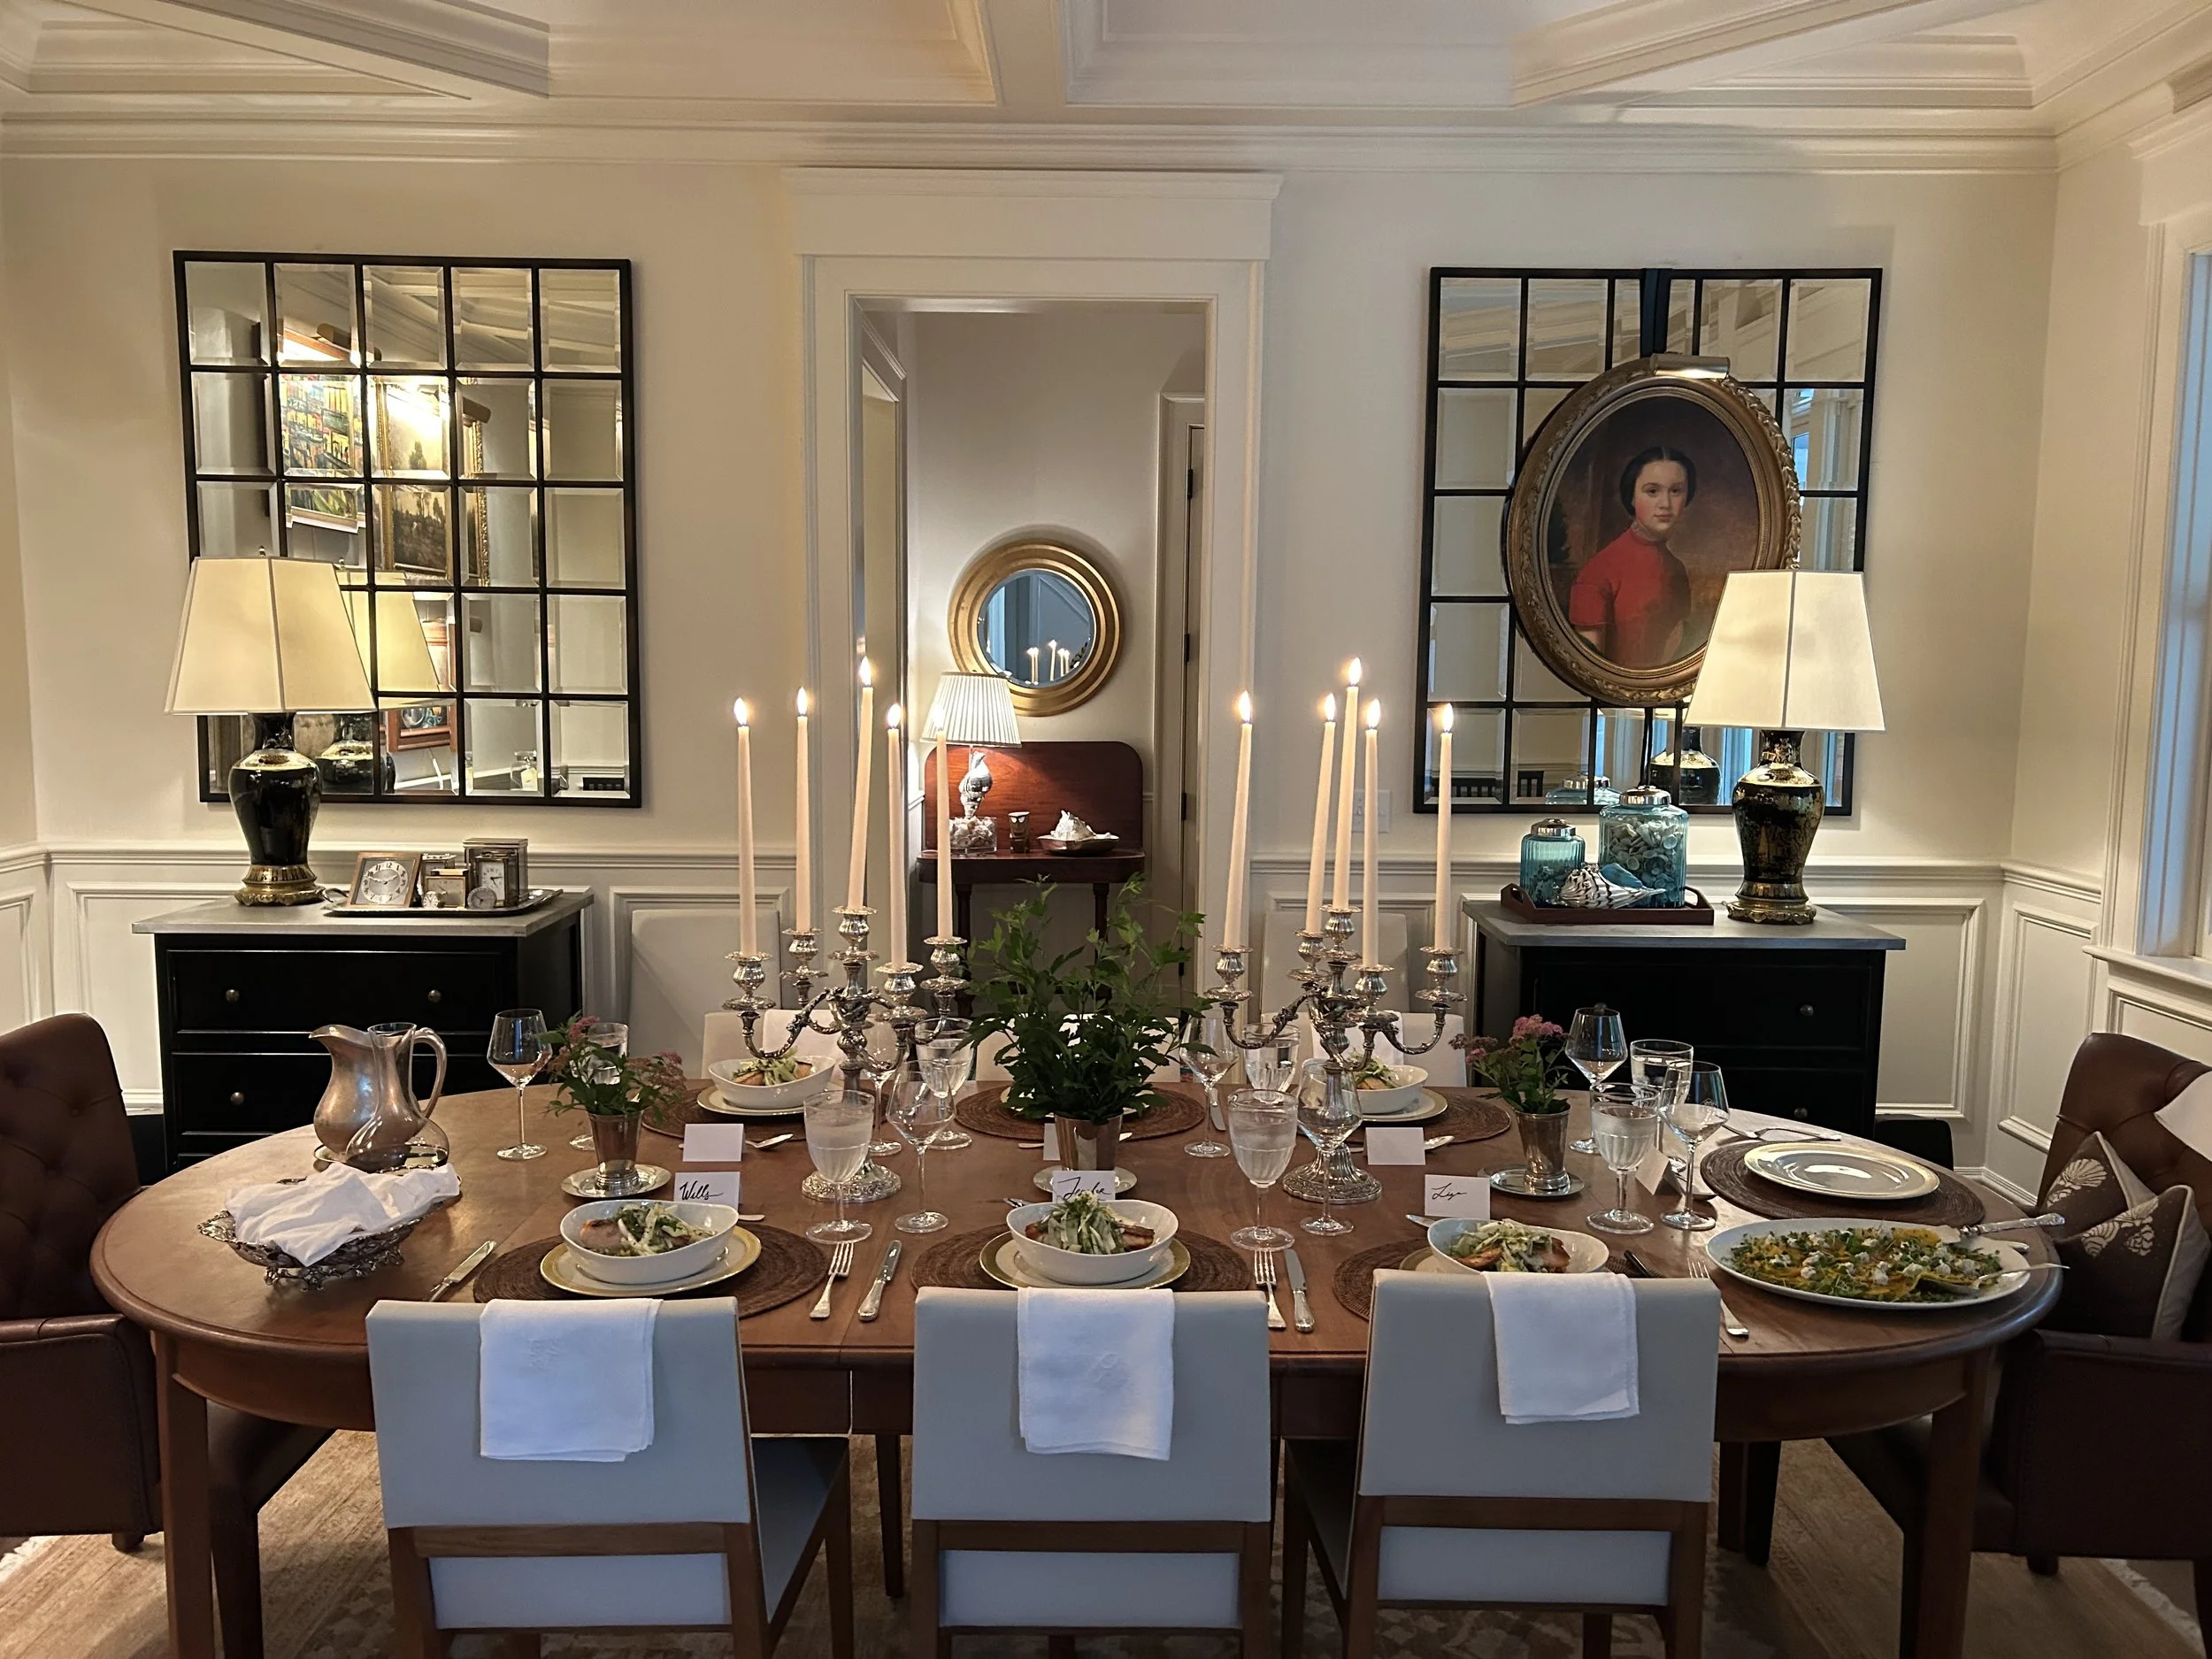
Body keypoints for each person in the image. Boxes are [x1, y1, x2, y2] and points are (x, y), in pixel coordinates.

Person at [1567, 446, 1696, 669]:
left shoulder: (1676, 568)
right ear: (1632, 497)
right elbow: (1589, 668)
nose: (1665, 504)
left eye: (1676, 491)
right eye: (1652, 491)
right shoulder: (1599, 571)